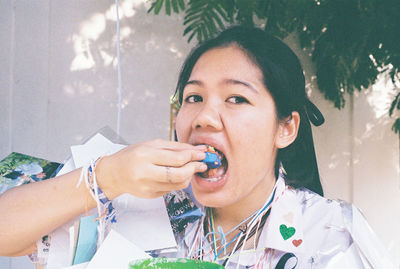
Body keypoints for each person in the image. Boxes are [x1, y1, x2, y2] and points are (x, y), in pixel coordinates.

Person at [0, 26, 395, 268]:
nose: (204, 117)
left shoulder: (329, 233)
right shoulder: (134, 203)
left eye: (236, 99)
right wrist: (108, 175)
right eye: (193, 97)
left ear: (286, 128)